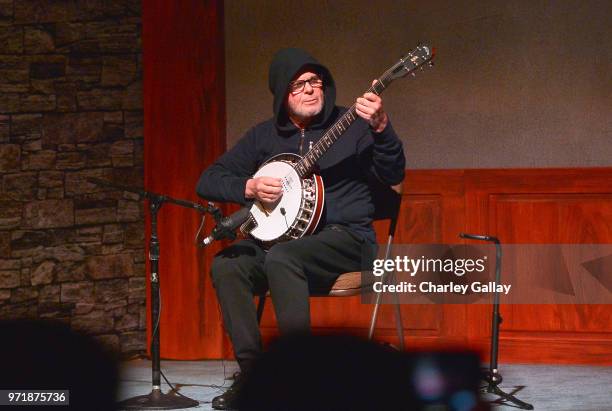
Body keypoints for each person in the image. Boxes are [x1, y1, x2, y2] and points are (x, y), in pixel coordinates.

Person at [196, 48, 405, 410]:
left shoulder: (353, 125)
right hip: (283, 244)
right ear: (282, 94)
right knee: (227, 265)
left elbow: (393, 173)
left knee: (282, 258)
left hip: (348, 240)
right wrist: (248, 187)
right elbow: (208, 179)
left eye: (316, 81)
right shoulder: (264, 136)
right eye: (299, 84)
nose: (310, 90)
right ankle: (255, 376)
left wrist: (382, 128)